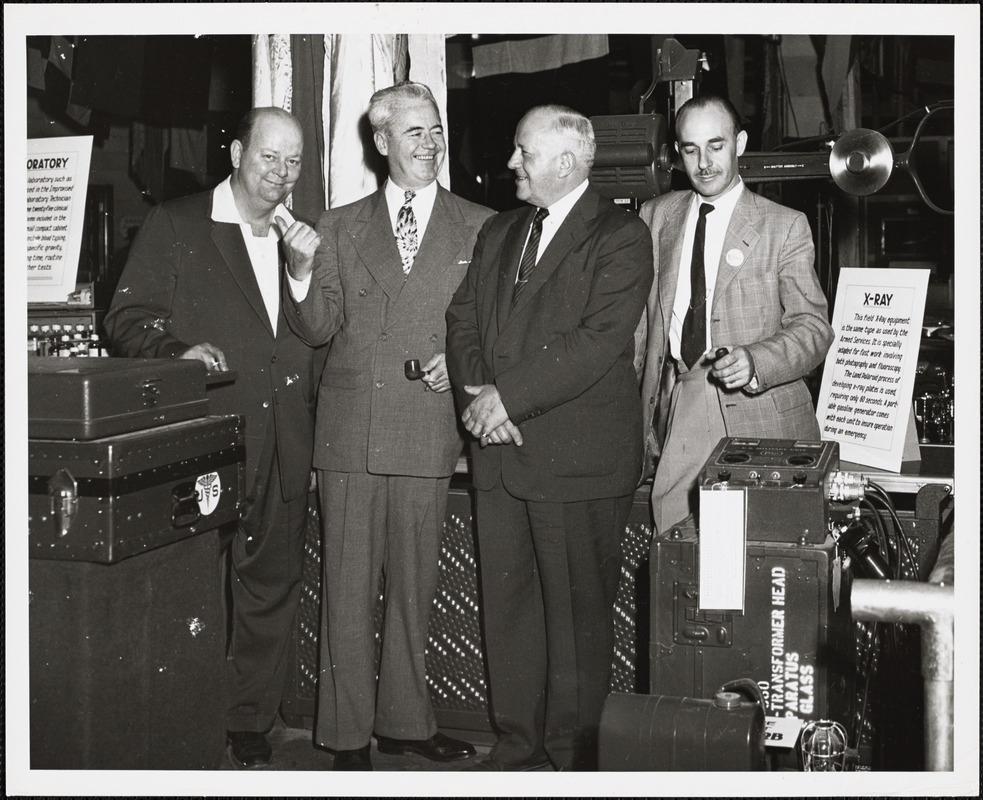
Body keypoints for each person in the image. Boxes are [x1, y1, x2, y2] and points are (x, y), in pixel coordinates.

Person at [282, 81, 493, 771]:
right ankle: (344, 735)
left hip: (429, 425)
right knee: (344, 588)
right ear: (380, 141)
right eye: (413, 133)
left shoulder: (481, 224)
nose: (430, 144)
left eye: (435, 130)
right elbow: (316, 329)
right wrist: (300, 269)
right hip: (350, 429)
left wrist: (459, 365)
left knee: (414, 587)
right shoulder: (339, 225)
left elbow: (493, 330)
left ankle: (405, 722)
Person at [104, 107, 321, 770]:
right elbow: (127, 320)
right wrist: (177, 351)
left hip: (284, 442)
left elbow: (312, 337)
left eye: (292, 162)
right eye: (267, 158)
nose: (280, 175)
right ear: (234, 153)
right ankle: (188, 711)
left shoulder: (302, 236)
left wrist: (303, 272)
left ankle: (249, 718)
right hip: (207, 441)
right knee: (195, 589)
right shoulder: (179, 223)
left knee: (270, 586)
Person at [445, 105, 654, 771]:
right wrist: (482, 400)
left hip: (576, 465)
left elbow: (593, 345)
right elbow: (462, 320)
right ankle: (515, 748)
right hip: (500, 456)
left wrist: (505, 398)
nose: (510, 164)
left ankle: (571, 761)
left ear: (564, 163)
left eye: (522, 152)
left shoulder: (621, 235)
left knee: (574, 623)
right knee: (507, 614)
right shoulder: (500, 231)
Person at [639, 94, 834, 533]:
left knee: (761, 564)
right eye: (690, 150)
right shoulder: (655, 217)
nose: (703, 162)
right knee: (678, 553)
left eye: (716, 145)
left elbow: (814, 328)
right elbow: (640, 330)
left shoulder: (784, 225)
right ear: (677, 154)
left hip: (760, 416)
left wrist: (755, 360)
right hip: (679, 409)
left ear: (740, 143)